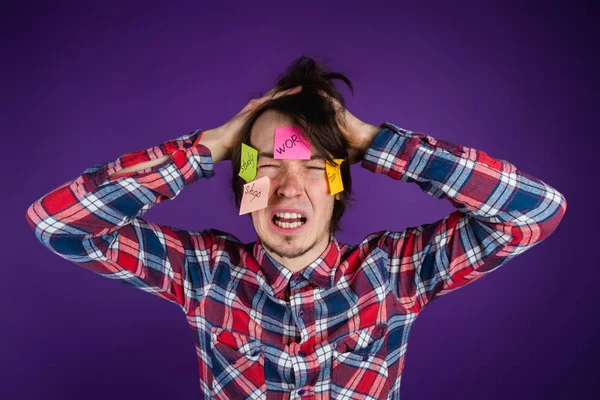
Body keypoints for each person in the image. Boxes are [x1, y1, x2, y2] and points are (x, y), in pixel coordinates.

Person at [25, 56, 567, 400]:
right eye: (265, 166)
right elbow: (59, 225)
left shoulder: (398, 273)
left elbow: (534, 213)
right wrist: (210, 147)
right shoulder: (200, 273)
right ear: (244, 186)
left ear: (337, 185)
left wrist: (375, 143)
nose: (288, 187)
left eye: (312, 167)